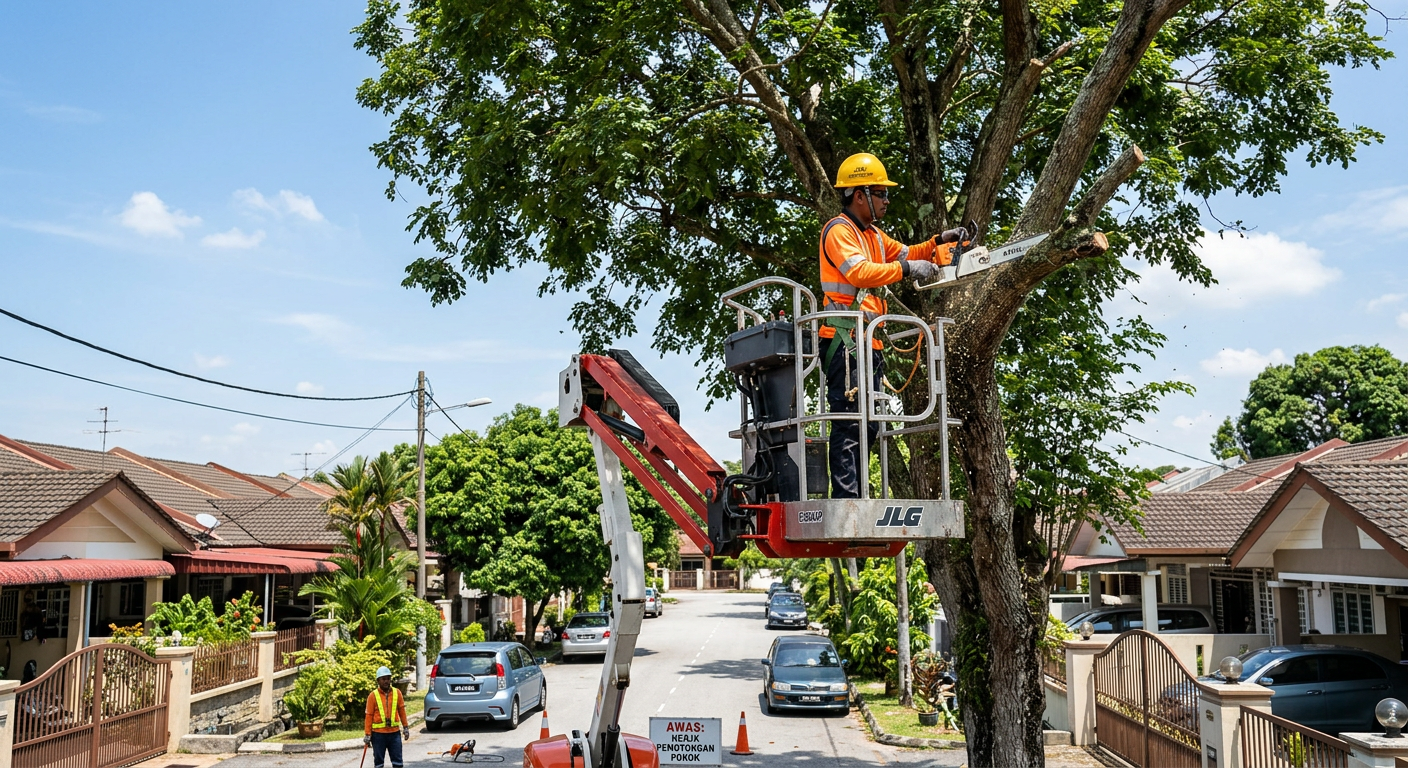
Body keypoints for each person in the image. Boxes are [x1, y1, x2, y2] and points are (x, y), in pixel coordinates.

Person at [820, 152, 967, 498]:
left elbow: (907, 253)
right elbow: (859, 273)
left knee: (869, 424)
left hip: (867, 342)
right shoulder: (839, 232)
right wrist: (906, 270)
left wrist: (936, 245)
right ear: (860, 195)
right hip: (845, 343)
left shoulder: (873, 236)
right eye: (882, 193)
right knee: (850, 422)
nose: (887, 199)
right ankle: (847, 500)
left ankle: (856, 495)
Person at [364, 666, 410, 768]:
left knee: (398, 763)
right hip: (378, 735)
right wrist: (367, 734)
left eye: (388, 678)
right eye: (383, 679)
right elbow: (369, 716)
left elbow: (402, 711)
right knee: (379, 763)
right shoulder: (373, 696)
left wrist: (406, 727)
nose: (386, 681)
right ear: (378, 680)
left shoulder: (397, 693)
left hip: (394, 734)